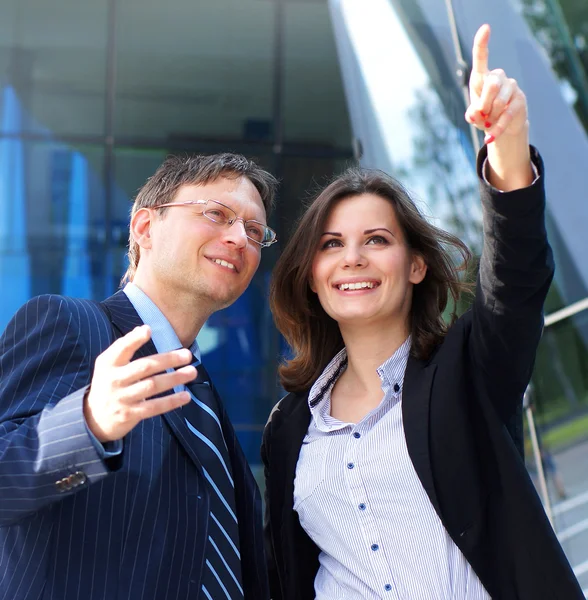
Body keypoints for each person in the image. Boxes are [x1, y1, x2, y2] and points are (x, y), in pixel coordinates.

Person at [262, 24, 583, 600]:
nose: (353, 258)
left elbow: (515, 278)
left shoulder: (469, 369)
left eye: (377, 240)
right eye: (331, 245)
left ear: (415, 266)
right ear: (311, 276)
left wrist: (506, 148)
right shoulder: (289, 428)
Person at [0, 152, 278, 599]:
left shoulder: (202, 392)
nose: (238, 238)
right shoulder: (71, 325)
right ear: (145, 228)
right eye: (216, 214)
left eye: (254, 231)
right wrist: (87, 425)